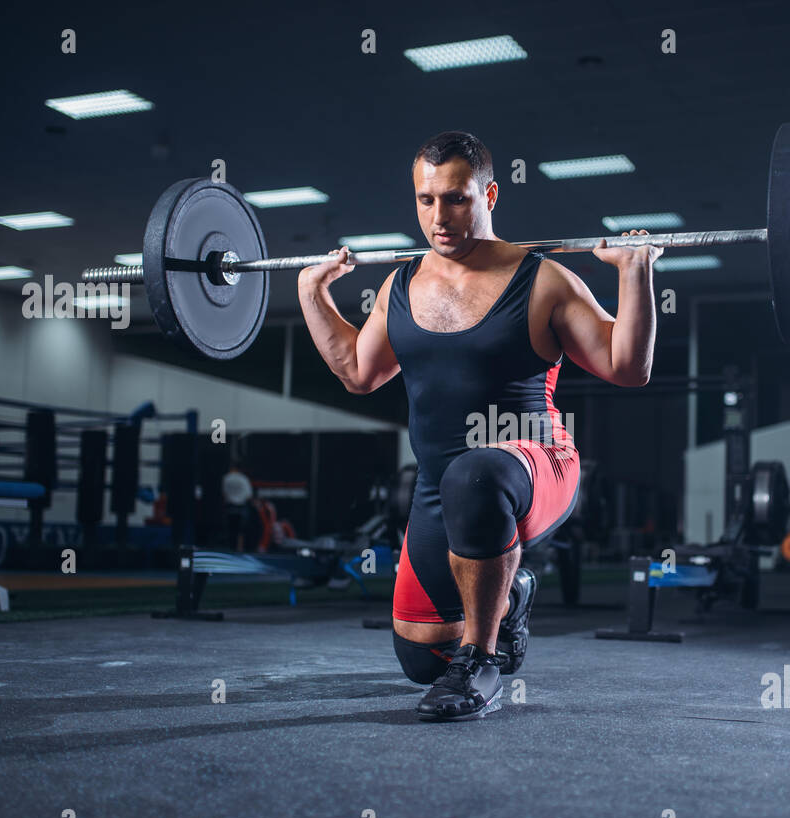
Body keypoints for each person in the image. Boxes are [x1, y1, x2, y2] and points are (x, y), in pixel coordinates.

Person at [297, 131, 660, 720]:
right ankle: (510, 594)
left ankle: (481, 662)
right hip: (441, 486)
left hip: (536, 459)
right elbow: (359, 373)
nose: (439, 217)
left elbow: (627, 368)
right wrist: (312, 293)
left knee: (476, 474)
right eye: (425, 199)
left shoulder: (543, 279)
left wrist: (635, 273)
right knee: (420, 661)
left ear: (489, 193)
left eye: (457, 199)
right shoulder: (401, 285)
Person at [221, 463, 254, 552]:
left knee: (231, 530)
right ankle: (239, 549)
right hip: (241, 507)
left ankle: (230, 549)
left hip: (230, 506)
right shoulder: (244, 479)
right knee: (240, 531)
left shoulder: (226, 478)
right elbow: (249, 495)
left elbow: (224, 494)